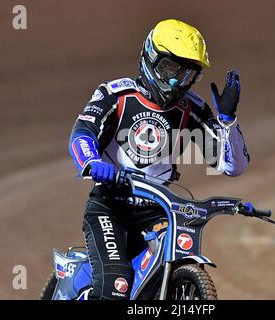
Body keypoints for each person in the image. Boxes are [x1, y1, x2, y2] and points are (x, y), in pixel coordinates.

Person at [68, 19, 250, 300]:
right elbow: (81, 134)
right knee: (116, 284)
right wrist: (93, 163)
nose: (177, 81)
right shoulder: (116, 95)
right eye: (169, 68)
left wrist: (227, 122)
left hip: (159, 211)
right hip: (110, 206)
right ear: (150, 58)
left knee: (171, 263)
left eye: (188, 73)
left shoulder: (189, 108)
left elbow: (232, 166)